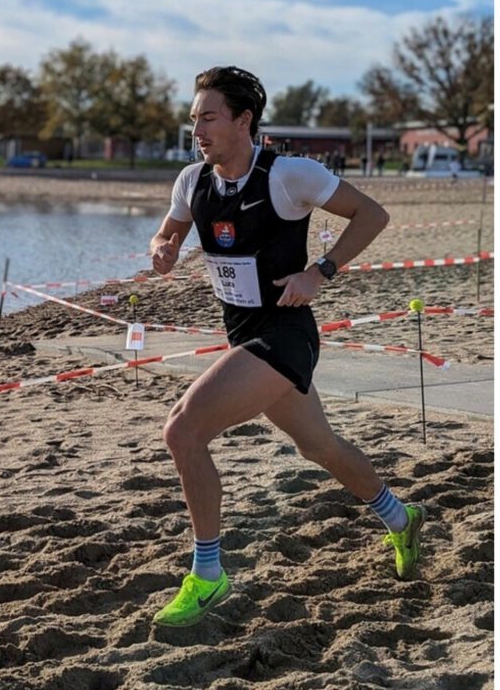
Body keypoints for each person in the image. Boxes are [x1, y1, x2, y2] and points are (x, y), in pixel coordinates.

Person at [150, 66, 425, 628]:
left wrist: (319, 272)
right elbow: (168, 231)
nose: (196, 130)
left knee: (183, 430)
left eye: (208, 118)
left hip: (285, 335)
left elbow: (372, 214)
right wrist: (163, 248)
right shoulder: (191, 180)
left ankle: (208, 573)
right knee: (320, 447)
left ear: (243, 120)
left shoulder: (289, 174)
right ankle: (401, 518)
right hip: (242, 333)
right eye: (194, 118)